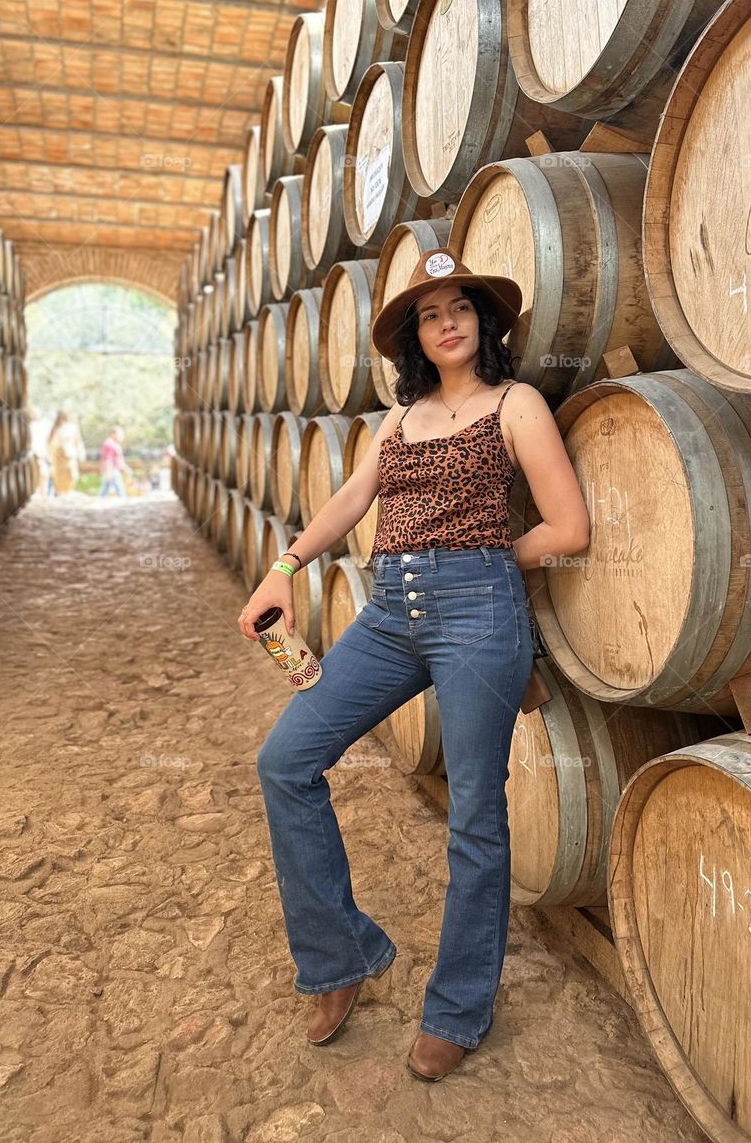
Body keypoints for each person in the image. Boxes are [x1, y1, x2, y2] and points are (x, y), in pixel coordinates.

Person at [237, 247, 590, 1082]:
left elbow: (567, 529)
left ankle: (459, 1007)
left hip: (479, 613)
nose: (448, 322)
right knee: (286, 761)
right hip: (390, 612)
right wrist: (283, 570)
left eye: (460, 307)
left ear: (483, 322)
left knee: (474, 815)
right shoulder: (399, 421)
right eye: (430, 314)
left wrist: (486, 557)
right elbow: (352, 501)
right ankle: (343, 955)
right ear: (415, 338)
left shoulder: (516, 403)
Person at [47, 410, 85, 496]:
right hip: (58, 457)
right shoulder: (55, 429)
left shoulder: (73, 428)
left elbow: (78, 442)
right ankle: (60, 494)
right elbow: (49, 442)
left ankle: (67, 492)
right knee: (59, 477)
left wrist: (81, 454)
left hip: (70, 456)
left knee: (73, 476)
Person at [28, 406, 53, 496]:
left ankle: (43, 495)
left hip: (41, 455)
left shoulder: (40, 426)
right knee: (41, 475)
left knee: (44, 475)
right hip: (35, 455)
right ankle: (41, 495)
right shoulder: (31, 426)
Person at [99, 425, 128, 498]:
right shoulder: (109, 444)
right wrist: (109, 471)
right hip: (112, 470)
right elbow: (108, 459)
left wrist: (125, 468)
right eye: (120, 434)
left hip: (113, 470)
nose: (122, 437)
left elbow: (118, 458)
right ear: (113, 434)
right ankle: (124, 500)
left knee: (105, 488)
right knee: (119, 488)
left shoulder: (114, 444)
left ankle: (100, 500)